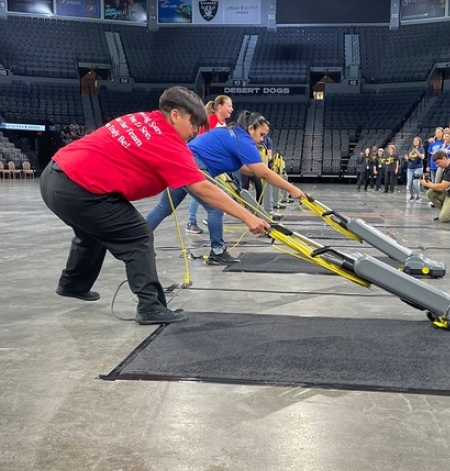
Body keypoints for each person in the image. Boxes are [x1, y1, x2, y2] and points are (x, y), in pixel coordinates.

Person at [40, 87, 270, 325]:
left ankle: (72, 284)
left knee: (90, 232)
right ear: (175, 115)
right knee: (138, 236)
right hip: (78, 188)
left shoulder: (141, 119)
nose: (194, 131)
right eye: (193, 124)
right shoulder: (168, 142)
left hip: (53, 177)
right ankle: (150, 306)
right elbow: (203, 188)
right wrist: (248, 217)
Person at [146, 110, 306, 265]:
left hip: (181, 162)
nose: (263, 140)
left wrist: (260, 172)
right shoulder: (243, 140)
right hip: (193, 166)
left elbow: (246, 168)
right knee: (215, 208)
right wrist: (292, 189)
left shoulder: (233, 133)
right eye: (261, 134)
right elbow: (263, 173)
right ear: (251, 128)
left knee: (164, 208)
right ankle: (217, 251)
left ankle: (138, 240)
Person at [186, 95, 233, 235]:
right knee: (200, 191)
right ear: (220, 107)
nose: (232, 109)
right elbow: (203, 141)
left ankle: (210, 216)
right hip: (200, 162)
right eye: (229, 106)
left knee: (221, 189)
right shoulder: (211, 121)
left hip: (210, 163)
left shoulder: (222, 122)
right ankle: (192, 221)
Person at [405, 136, 425, 202]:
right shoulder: (411, 149)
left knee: (416, 183)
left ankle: (419, 196)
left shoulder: (421, 149)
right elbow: (409, 158)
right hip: (410, 167)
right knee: (410, 183)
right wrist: (407, 158)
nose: (415, 142)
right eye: (414, 140)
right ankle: (412, 195)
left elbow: (422, 157)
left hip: (418, 167)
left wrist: (417, 152)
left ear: (419, 142)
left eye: (417, 140)